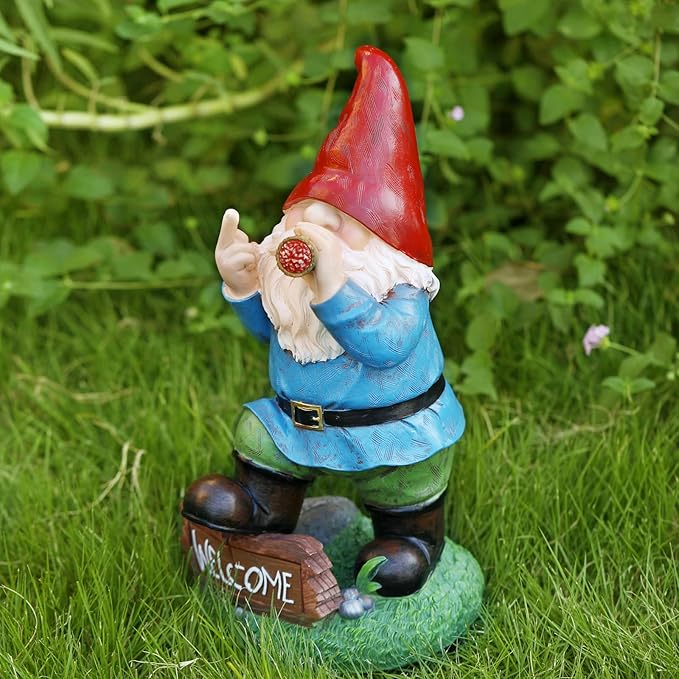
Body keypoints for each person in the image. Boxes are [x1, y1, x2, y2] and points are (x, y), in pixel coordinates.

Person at [182, 46, 465, 597]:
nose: (308, 231)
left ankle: (410, 540)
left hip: (392, 433)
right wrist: (244, 284)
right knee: (260, 441)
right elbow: (275, 331)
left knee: (404, 490)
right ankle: (262, 512)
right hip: (297, 426)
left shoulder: (400, 290)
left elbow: (385, 348)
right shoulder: (293, 285)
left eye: (337, 220)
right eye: (303, 213)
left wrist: (333, 287)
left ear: (387, 242)